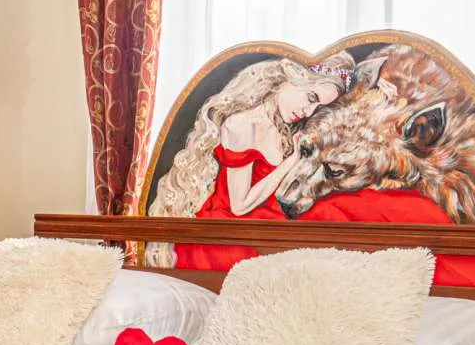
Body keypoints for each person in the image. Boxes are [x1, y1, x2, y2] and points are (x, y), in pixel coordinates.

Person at [147, 58, 344, 270]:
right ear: (290, 78)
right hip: (232, 230)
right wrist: (292, 160)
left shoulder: (288, 128)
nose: (308, 111)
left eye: (317, 107)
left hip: (270, 222)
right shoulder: (241, 126)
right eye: (311, 98)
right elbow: (239, 206)